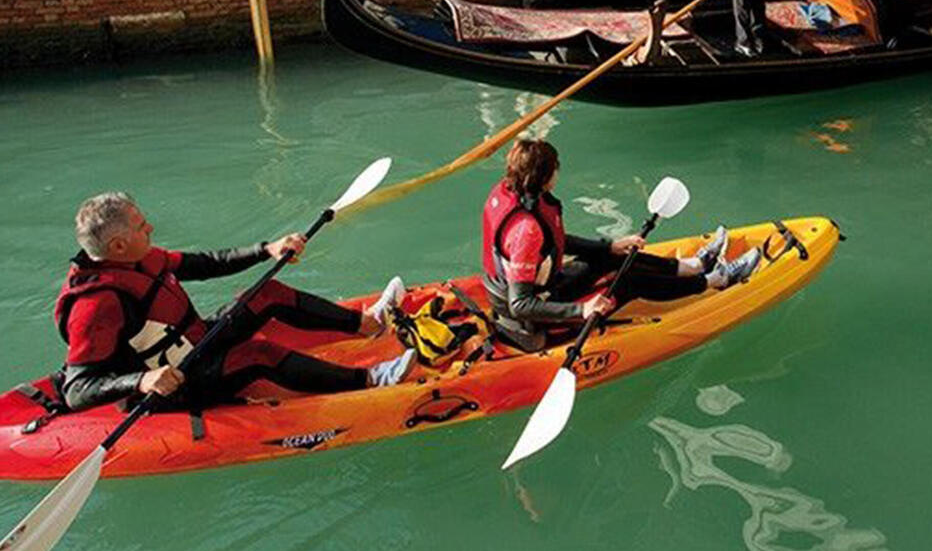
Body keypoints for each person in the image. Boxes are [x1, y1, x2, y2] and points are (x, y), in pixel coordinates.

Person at [54, 192, 416, 412]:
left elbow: (206, 262)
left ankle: (368, 324)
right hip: (175, 386)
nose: (149, 229)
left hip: (197, 343)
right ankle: (370, 380)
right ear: (117, 246)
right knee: (258, 353)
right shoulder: (96, 306)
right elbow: (76, 391)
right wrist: (142, 382)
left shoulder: (137, 258)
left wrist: (267, 250)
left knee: (267, 295)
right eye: (141, 225)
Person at [481, 139, 762, 352]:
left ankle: (695, 265)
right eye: (555, 168)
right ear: (544, 177)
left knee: (614, 258)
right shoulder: (525, 230)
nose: (558, 173)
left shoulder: (510, 192)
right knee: (628, 281)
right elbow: (520, 304)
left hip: (537, 289)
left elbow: (553, 240)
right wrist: (582, 310)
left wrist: (609, 246)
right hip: (533, 315)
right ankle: (716, 279)